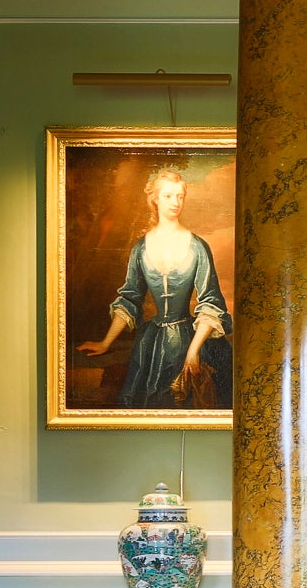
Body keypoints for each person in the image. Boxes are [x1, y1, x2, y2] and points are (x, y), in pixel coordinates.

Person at [78, 163, 233, 408]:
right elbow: (130, 298)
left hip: (187, 340)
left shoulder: (197, 247)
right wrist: (105, 343)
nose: (175, 202)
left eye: (180, 196)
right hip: (149, 343)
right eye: (168, 196)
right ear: (155, 200)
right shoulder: (141, 247)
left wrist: (193, 352)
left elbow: (210, 301)